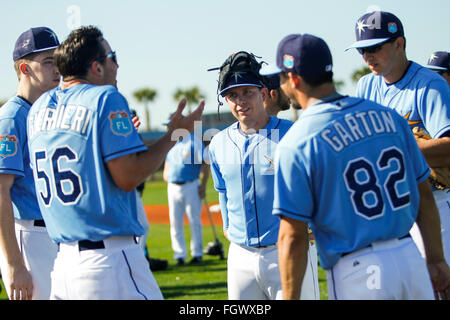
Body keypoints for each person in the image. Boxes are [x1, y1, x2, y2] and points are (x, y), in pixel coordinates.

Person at [262, 32, 450, 300]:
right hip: (410, 258)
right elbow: (424, 196)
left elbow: (292, 236)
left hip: (358, 269)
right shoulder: (389, 117)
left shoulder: (296, 141)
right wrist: (435, 259)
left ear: (293, 79)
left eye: (280, 78)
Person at [26, 25, 204, 300]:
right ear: (97, 68)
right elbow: (128, 176)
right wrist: (174, 135)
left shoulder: (37, 108)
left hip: (61, 264)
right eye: (113, 56)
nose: (117, 64)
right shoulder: (104, 97)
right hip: (108, 260)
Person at [208, 51, 319, 300]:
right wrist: (227, 226)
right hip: (240, 256)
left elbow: (321, 183)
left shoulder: (295, 134)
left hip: (288, 249)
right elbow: (223, 190)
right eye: (232, 95)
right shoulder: (218, 142)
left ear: (263, 91)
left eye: (247, 91)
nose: (240, 101)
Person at [346, 11, 450, 264]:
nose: (367, 56)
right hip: (385, 206)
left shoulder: (430, 85)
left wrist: (396, 146)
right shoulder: (366, 86)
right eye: (362, 51)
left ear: (399, 44)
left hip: (432, 203)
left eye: (374, 48)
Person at [0, 27, 60, 300]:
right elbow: (0, 190)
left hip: (53, 232)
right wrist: (13, 264)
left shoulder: (47, 112)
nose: (57, 68)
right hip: (29, 235)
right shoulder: (11, 117)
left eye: (59, 60)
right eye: (48, 62)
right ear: (25, 67)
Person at [163, 126, 209, 265]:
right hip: (172, 186)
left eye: (170, 125)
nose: (167, 128)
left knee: (194, 221)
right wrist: (166, 176)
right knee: (175, 222)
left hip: (191, 184)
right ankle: (179, 255)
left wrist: (203, 184)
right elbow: (167, 163)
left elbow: (205, 163)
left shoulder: (193, 141)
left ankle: (197, 253)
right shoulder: (171, 143)